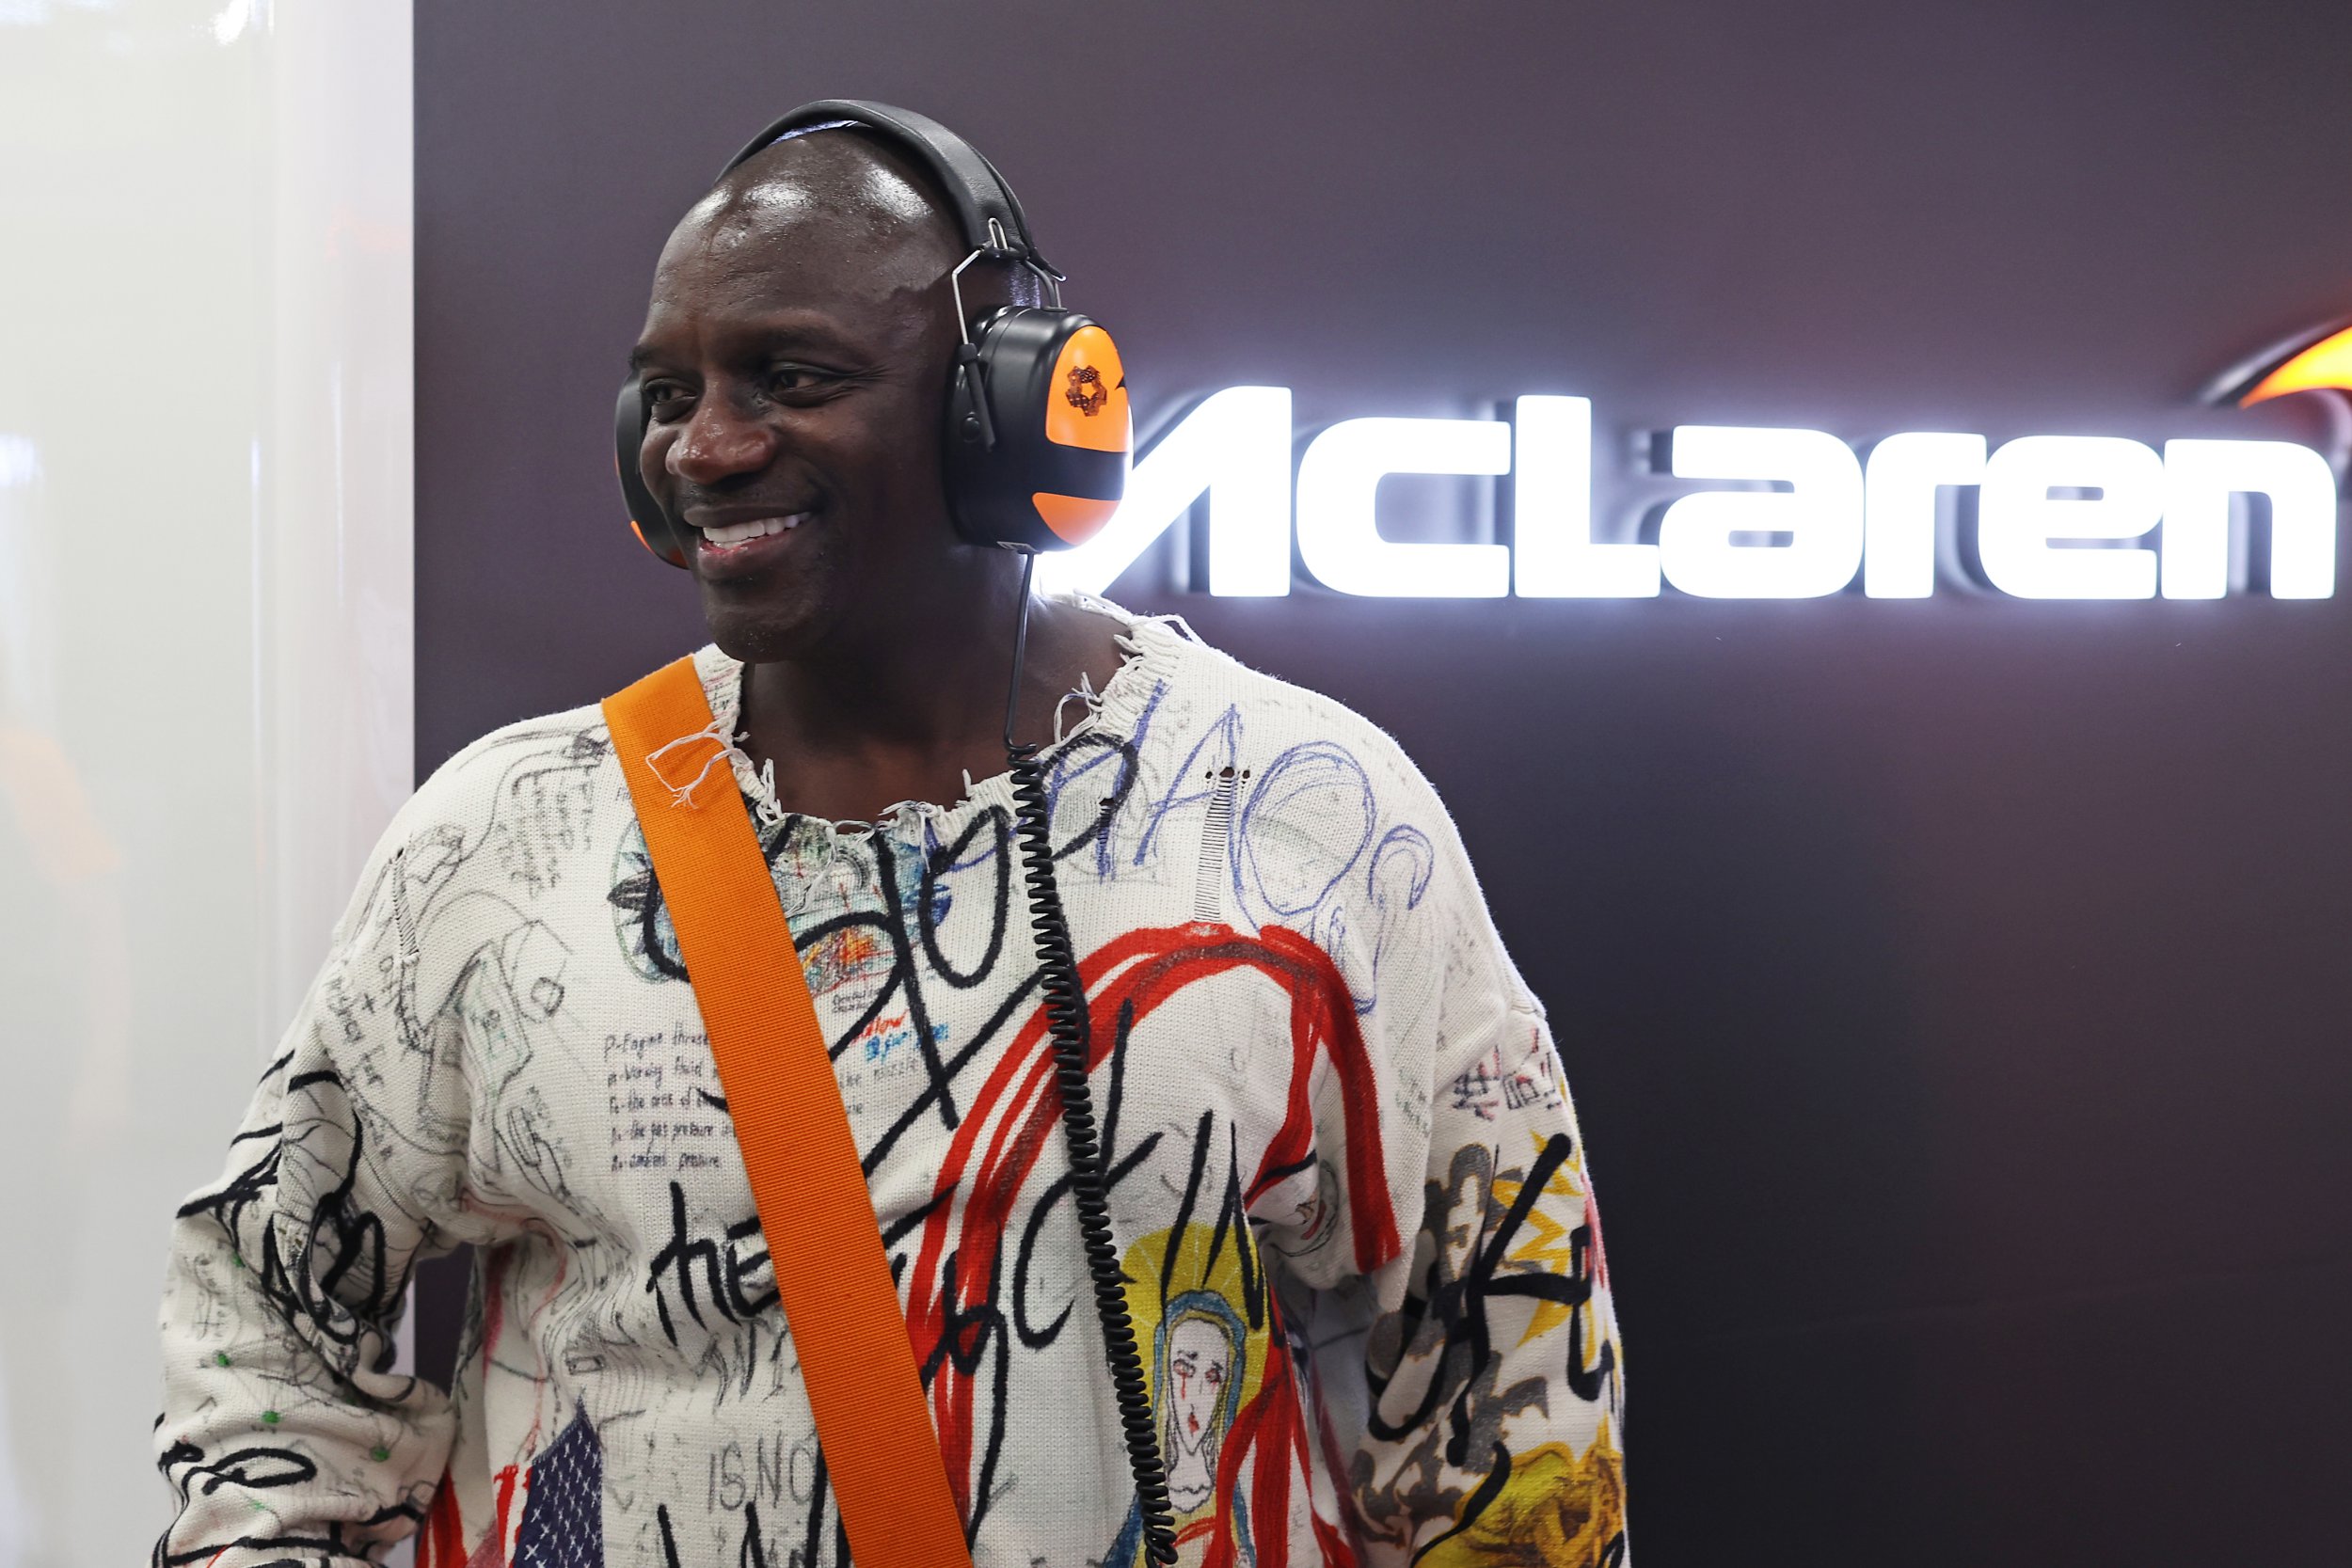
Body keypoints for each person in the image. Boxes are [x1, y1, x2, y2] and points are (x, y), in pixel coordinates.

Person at [153, 109, 1628, 1568]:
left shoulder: (1307, 806)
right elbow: (265, 1303)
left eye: (793, 378)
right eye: (667, 395)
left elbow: (1504, 1371)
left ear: (1009, 411)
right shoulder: (503, 840)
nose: (705, 448)